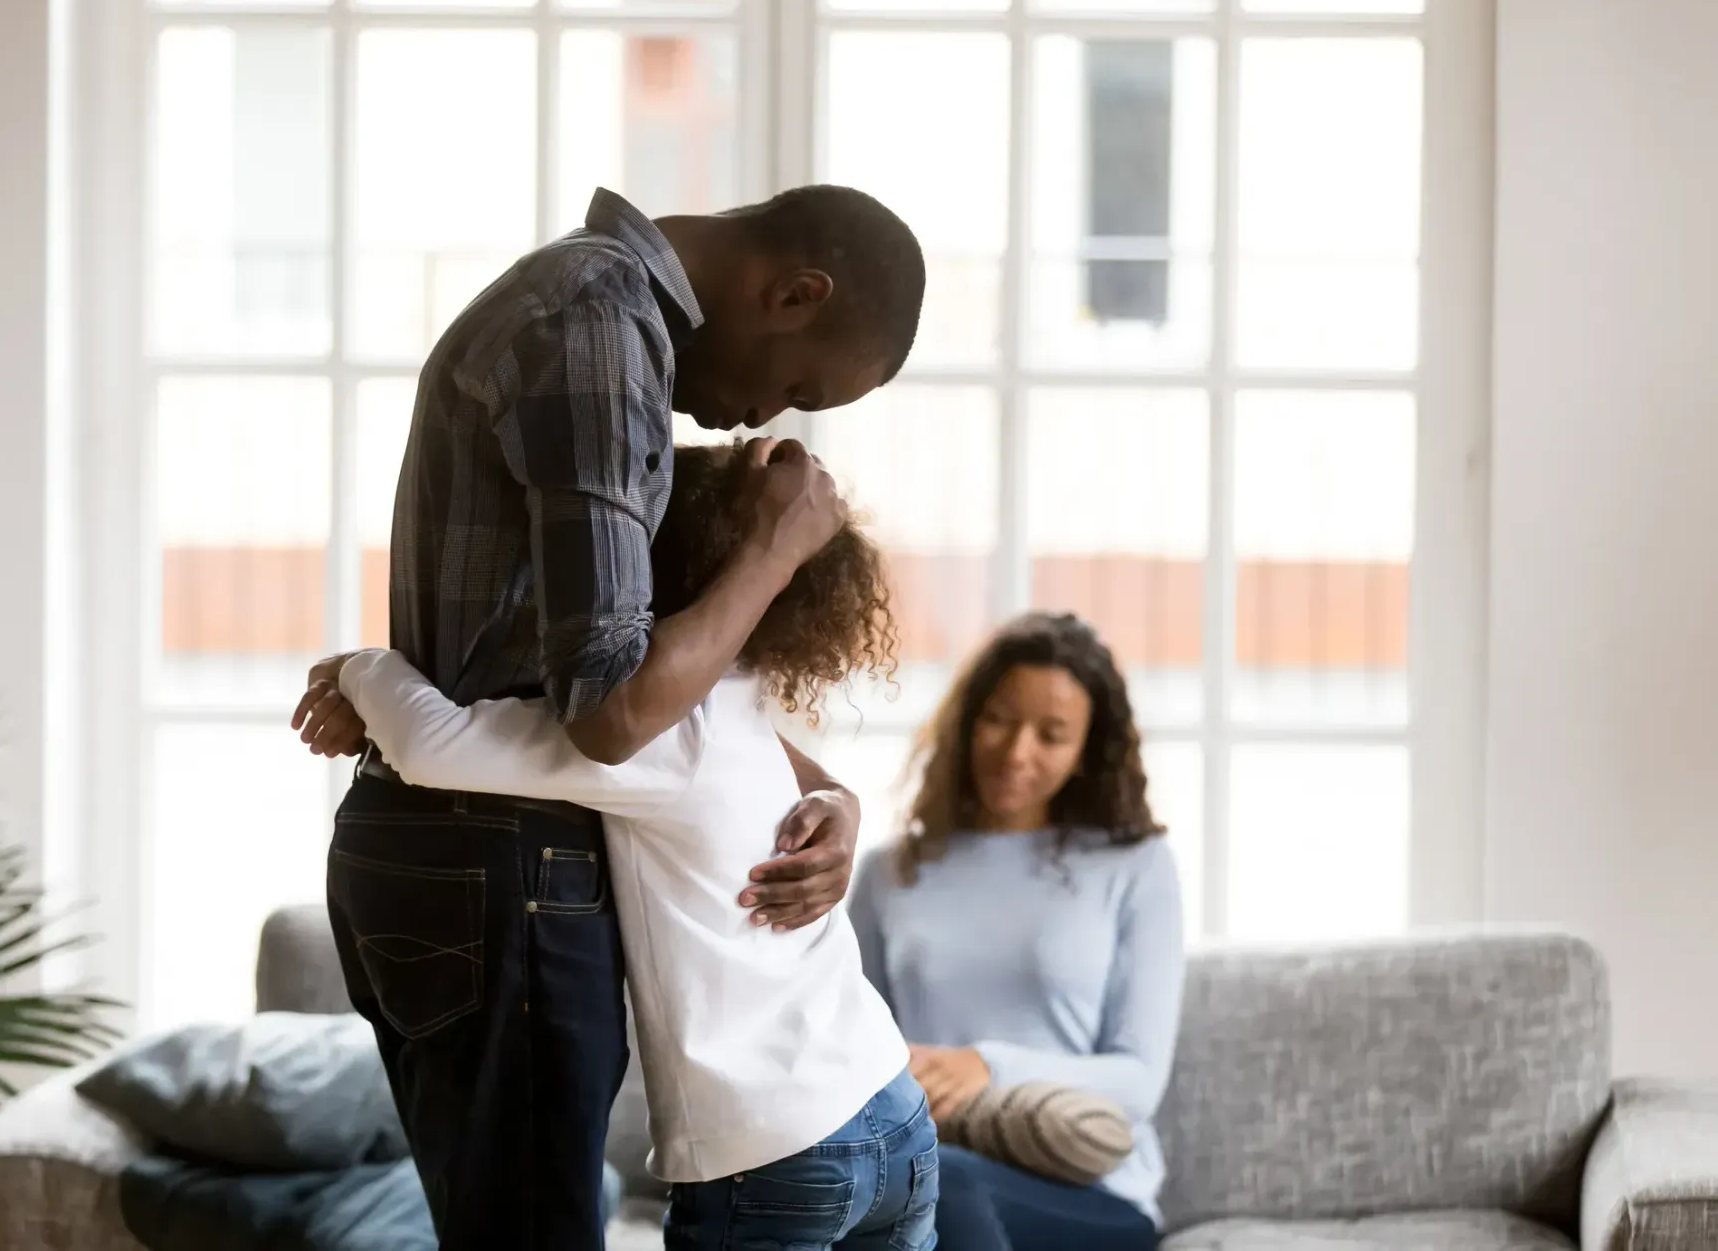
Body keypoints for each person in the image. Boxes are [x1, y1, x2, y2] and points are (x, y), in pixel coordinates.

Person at [292, 186, 925, 1251]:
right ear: (792, 293)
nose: (766, 415)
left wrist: (832, 789)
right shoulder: (592, 325)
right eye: (799, 381)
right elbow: (614, 709)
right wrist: (778, 548)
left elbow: (697, 725)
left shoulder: (601, 322)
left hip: (486, 839)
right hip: (493, 855)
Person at [847, 612, 1186, 1251]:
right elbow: (852, 1051)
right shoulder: (889, 872)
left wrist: (987, 1066)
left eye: (1052, 734)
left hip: (1092, 1194)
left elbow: (1139, 1080)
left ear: (1087, 751)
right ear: (967, 720)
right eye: (1000, 719)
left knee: (943, 1187)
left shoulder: (1134, 865)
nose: (1017, 751)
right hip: (930, 1162)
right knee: (908, 1185)